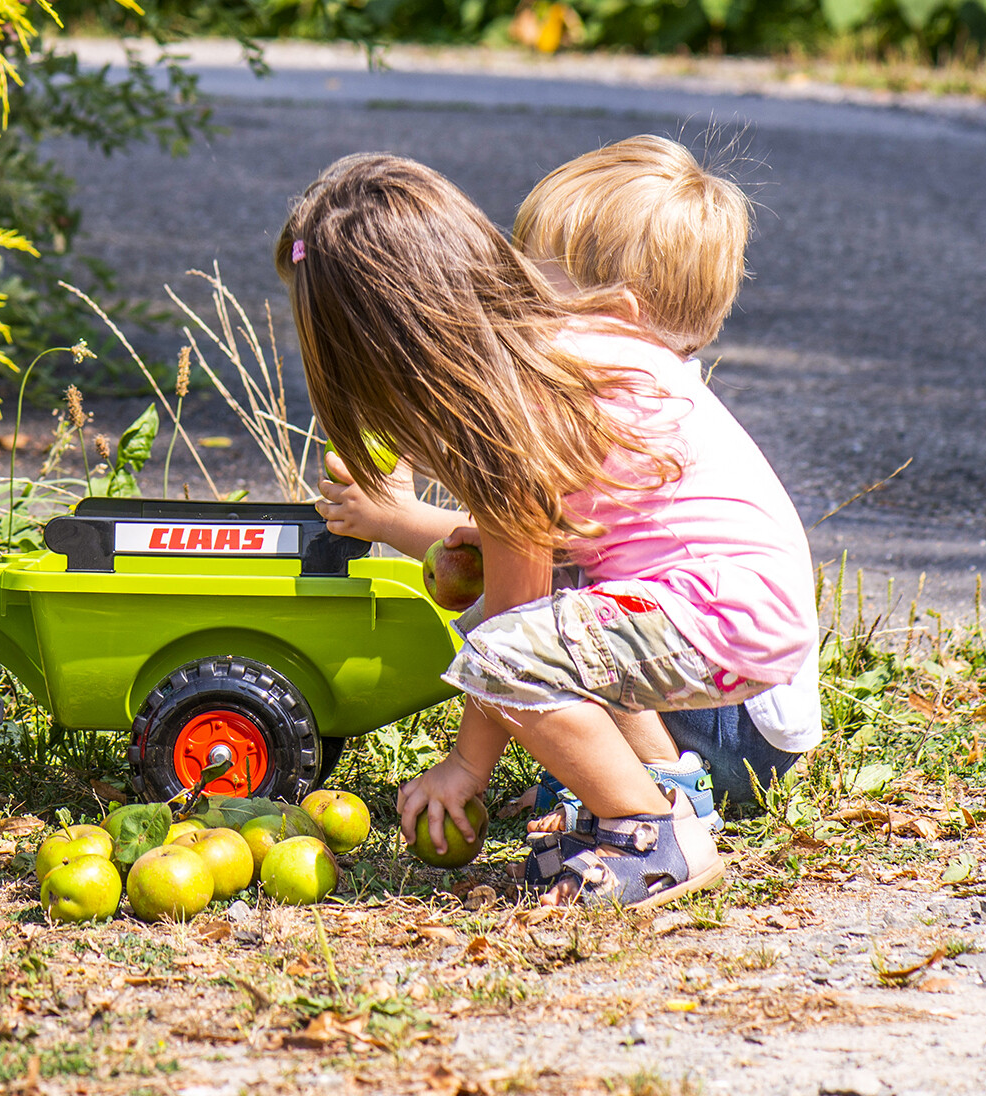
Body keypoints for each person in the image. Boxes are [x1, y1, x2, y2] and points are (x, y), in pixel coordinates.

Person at [279, 152, 814, 904]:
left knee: (504, 643)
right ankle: (662, 791)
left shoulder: (521, 403)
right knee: (536, 618)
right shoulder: (543, 370)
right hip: (732, 609)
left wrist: (465, 767)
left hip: (726, 622)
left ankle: (647, 833)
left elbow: (511, 628)